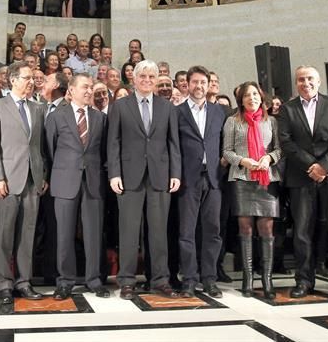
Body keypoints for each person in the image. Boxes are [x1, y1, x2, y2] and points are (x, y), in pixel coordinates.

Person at [277, 66, 328, 303]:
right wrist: (311, 166)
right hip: (301, 176)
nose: (306, 83)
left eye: (310, 78)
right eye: (301, 79)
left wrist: (325, 167)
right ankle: (304, 280)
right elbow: (286, 142)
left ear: (319, 81)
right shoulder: (287, 109)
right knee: (303, 233)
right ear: (296, 83)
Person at [108, 60, 181, 300]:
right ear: (134, 79)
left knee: (159, 231)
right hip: (129, 176)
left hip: (160, 176)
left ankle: (159, 279)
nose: (147, 80)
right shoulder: (120, 106)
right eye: (143, 76)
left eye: (152, 76)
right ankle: (127, 280)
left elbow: (173, 144)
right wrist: (114, 173)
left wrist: (175, 173)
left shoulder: (167, 107)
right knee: (128, 231)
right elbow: (113, 143)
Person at [0, 62, 48, 304]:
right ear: (12, 80)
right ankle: (4, 284)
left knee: (27, 234)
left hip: (33, 180)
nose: (31, 81)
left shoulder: (38, 108)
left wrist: (44, 176)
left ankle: (24, 281)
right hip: (8, 180)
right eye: (26, 77)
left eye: (32, 78)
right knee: (5, 234)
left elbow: (41, 147)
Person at [46, 73, 109, 299]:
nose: (90, 90)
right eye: (85, 86)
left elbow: (103, 152)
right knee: (64, 234)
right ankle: (65, 281)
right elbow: (50, 150)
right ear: (71, 90)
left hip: (93, 182)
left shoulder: (100, 118)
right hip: (65, 181)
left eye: (91, 87)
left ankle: (94, 279)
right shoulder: (56, 117)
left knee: (93, 233)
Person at [223, 81, 283, 299]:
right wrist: (243, 161)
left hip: (267, 179)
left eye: (255, 95)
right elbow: (227, 151)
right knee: (246, 229)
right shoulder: (232, 121)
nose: (252, 98)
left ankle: (267, 278)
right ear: (241, 100)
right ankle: (248, 278)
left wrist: (269, 158)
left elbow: (279, 149)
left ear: (261, 97)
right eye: (247, 95)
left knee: (266, 230)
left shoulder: (272, 122)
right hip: (241, 178)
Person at [176, 66, 227, 299]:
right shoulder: (177, 112)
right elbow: (173, 148)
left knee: (212, 231)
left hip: (214, 178)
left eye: (203, 83)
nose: (199, 86)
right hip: (188, 179)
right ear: (186, 84)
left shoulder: (220, 112)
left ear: (208, 85)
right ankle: (188, 279)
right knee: (186, 232)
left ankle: (209, 279)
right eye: (195, 82)